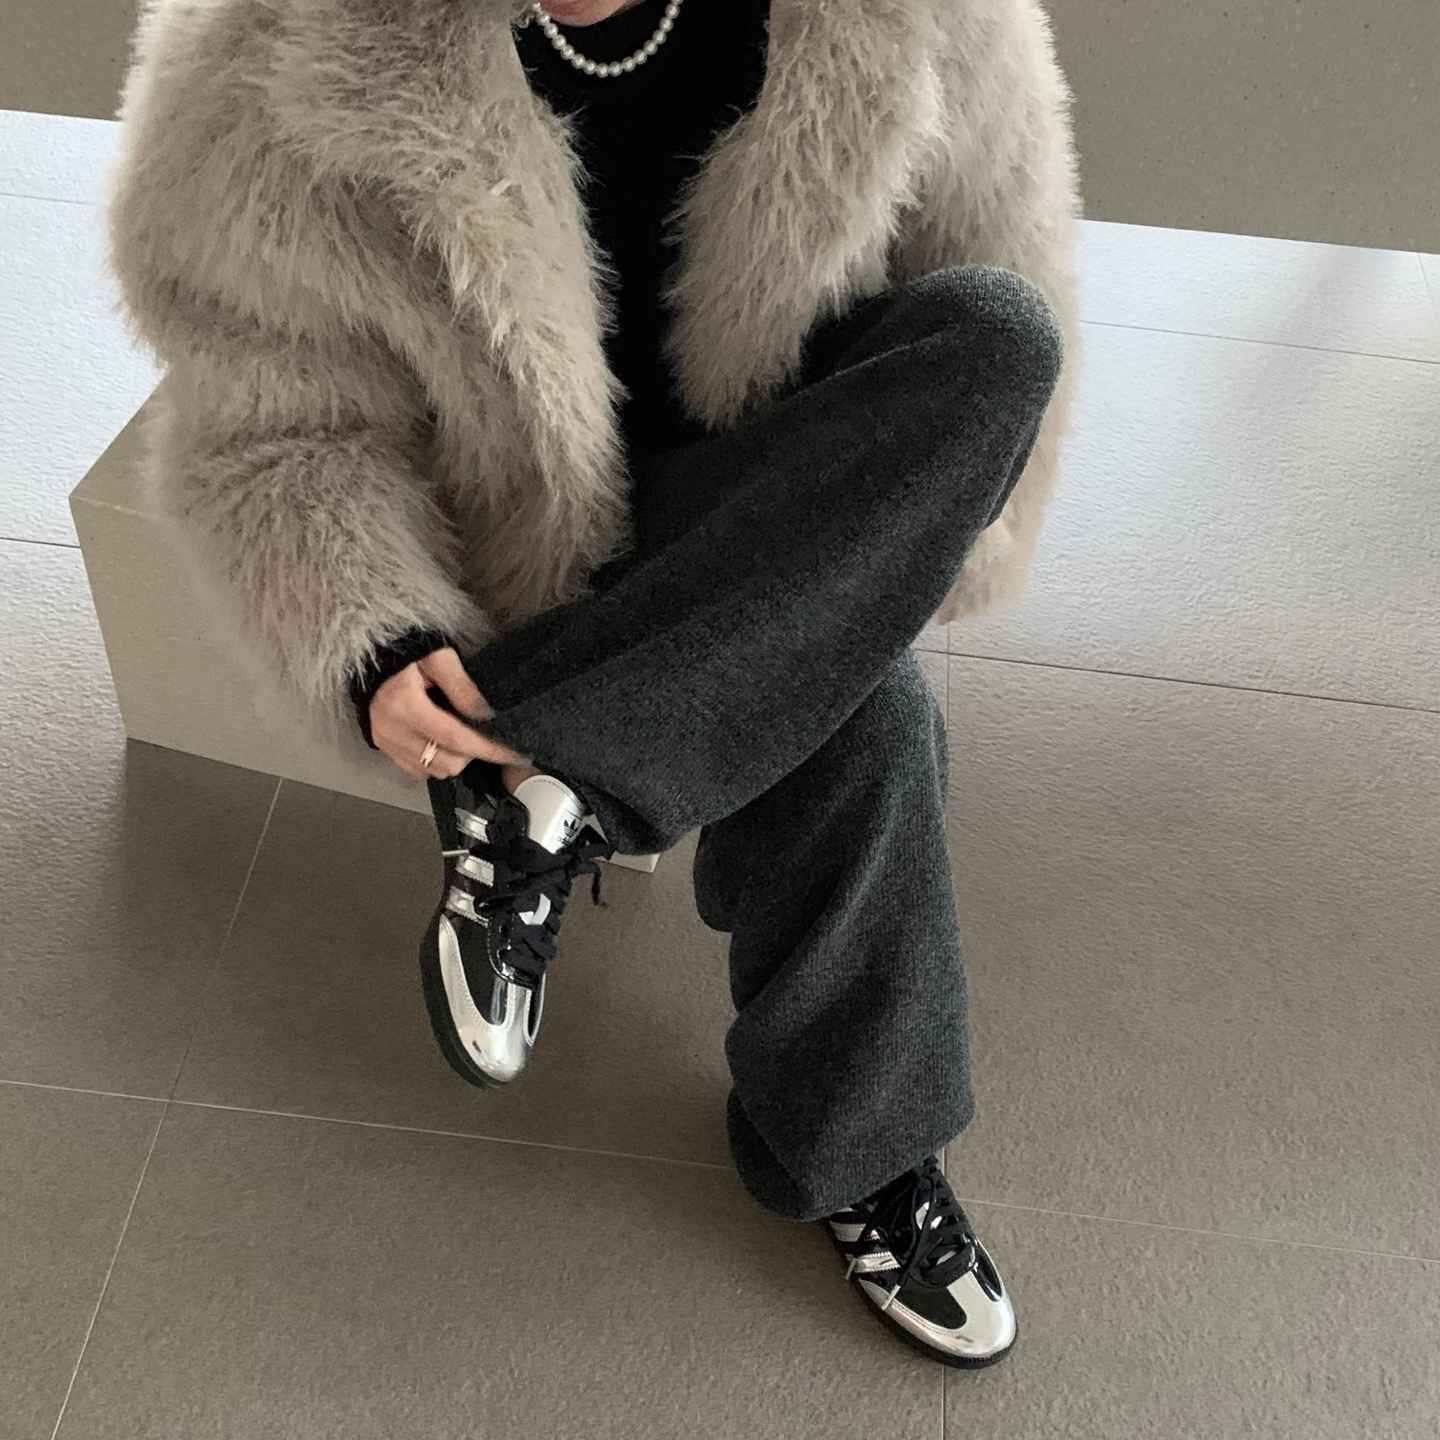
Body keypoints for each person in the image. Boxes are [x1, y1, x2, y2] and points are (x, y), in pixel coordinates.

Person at [106, 0, 1080, 1368]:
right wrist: (368, 629)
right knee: (871, 726)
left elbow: (997, 275)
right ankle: (862, 1150)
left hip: (788, 497)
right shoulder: (260, 53)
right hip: (526, 546)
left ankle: (548, 778)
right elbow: (268, 430)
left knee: (999, 335)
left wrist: (879, 552)